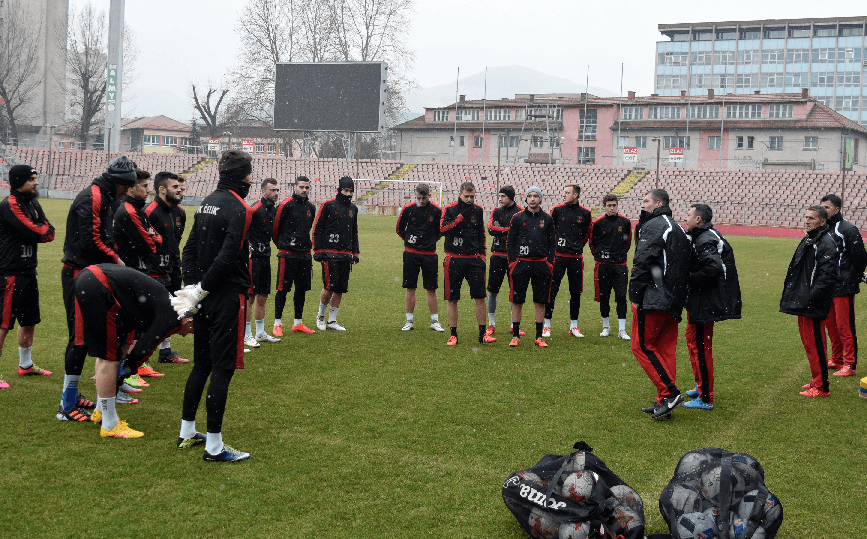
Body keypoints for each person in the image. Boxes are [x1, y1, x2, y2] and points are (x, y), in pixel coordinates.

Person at [178, 149, 254, 462]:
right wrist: (203, 289)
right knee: (222, 369)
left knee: (202, 364)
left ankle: (186, 432)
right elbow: (227, 256)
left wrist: (191, 290)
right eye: (249, 174)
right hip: (225, 296)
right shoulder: (239, 207)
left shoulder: (207, 201)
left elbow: (190, 249)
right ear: (241, 176)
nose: (251, 179)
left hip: (205, 295)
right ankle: (214, 446)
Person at [57, 155, 136, 423]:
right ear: (116, 182)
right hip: (79, 273)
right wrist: (116, 260)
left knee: (86, 338)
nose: (127, 190)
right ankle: (66, 406)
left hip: (90, 272)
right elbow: (91, 240)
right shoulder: (94, 197)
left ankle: (73, 393)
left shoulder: (105, 195)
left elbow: (103, 237)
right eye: (126, 185)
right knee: (79, 339)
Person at [73, 264, 193, 439]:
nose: (185, 335)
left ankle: (100, 410)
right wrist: (126, 370)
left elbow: (135, 329)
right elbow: (145, 348)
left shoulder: (171, 306)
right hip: (98, 283)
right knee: (109, 357)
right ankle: (109, 424)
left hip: (94, 280)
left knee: (115, 352)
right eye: (191, 331)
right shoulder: (173, 317)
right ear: (189, 320)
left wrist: (124, 367)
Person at [629, 189, 691, 420]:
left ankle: (670, 394)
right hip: (673, 299)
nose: (642, 204)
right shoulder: (678, 228)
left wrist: (635, 293)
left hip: (656, 296)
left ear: (659, 203)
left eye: (646, 201)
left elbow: (643, 260)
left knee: (642, 346)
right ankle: (663, 400)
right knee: (664, 349)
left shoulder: (655, 225)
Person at [682, 203, 742, 411]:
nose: (685, 218)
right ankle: (701, 385)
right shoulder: (705, 235)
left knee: (701, 347)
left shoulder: (705, 238)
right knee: (694, 342)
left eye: (688, 215)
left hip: (705, 301)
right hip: (702, 299)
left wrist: (688, 279)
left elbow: (713, 267)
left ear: (698, 219)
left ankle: (706, 396)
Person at [0, 165, 55, 389]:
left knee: (29, 319)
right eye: (32, 179)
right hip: (10, 272)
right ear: (19, 181)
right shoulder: (10, 204)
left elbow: (49, 231)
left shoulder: (32, 202)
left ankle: (25, 365)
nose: (36, 182)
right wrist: (40, 228)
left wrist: (40, 228)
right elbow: (37, 232)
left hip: (28, 270)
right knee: (3, 324)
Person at [780, 205, 839, 398]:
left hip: (812, 303)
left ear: (823, 221)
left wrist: (809, 298)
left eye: (812, 218)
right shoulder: (811, 238)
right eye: (806, 217)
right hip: (804, 301)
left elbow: (826, 278)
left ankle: (822, 387)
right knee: (810, 344)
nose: (807, 221)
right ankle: (817, 380)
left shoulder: (825, 243)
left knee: (816, 345)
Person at [440, 181, 495, 346]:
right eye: (467, 196)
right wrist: (460, 217)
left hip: (474, 260)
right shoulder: (450, 209)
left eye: (472, 196)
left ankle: (482, 334)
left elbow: (481, 235)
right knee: (452, 298)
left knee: (480, 297)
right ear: (460, 194)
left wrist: (483, 256)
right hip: (454, 259)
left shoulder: (478, 210)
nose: (470, 199)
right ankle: (453, 334)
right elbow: (442, 229)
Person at [819, 194, 866, 377]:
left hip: (843, 287)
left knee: (845, 326)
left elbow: (861, 258)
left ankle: (850, 365)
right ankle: (837, 359)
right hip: (828, 286)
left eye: (827, 207)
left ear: (837, 209)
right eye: (822, 207)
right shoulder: (824, 228)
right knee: (831, 326)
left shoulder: (847, 229)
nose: (824, 210)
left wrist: (851, 280)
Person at [145, 171, 189, 364]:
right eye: (175, 187)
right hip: (152, 271)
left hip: (173, 268)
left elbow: (175, 242)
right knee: (148, 314)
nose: (180, 191)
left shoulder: (180, 213)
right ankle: (142, 359)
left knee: (171, 310)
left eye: (180, 187)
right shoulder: (150, 212)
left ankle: (165, 352)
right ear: (162, 190)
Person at [507, 186, 555, 348]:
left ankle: (539, 336)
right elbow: (511, 241)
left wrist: (549, 262)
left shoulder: (547, 219)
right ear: (526, 198)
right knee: (517, 300)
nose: (533, 199)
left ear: (540, 199)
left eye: (536, 196)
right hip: (521, 263)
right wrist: (513, 261)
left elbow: (552, 243)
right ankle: (515, 335)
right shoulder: (518, 218)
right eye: (530, 196)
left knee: (540, 301)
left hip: (541, 264)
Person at [313, 176, 360, 332]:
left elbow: (354, 231)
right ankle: (320, 316)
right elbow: (317, 229)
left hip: (345, 254)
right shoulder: (328, 205)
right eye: (345, 190)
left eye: (350, 191)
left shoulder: (354, 209)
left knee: (340, 288)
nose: (348, 194)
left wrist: (355, 252)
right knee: (329, 287)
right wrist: (318, 250)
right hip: (329, 253)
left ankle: (332, 320)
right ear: (339, 190)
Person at [545, 184, 592, 338]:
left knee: (575, 292)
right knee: (552, 290)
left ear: (576, 195)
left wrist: (576, 246)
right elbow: (550, 232)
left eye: (567, 192)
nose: (564, 194)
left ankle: (574, 326)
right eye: (564, 192)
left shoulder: (585, 213)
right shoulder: (557, 210)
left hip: (575, 259)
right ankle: (547, 325)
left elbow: (586, 234)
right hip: (558, 257)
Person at [396, 183, 444, 332]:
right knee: (410, 287)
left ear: (429, 196)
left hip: (430, 254)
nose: (421, 200)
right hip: (411, 253)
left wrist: (429, 241)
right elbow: (399, 229)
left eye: (424, 198)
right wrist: (410, 240)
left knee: (431, 288)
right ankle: (409, 321)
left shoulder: (436, 211)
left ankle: (434, 321)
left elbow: (441, 230)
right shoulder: (408, 209)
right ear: (414, 195)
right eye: (418, 198)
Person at [272, 176, 316, 335]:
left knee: (301, 289)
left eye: (307, 187)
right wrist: (283, 246)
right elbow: (275, 229)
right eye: (301, 187)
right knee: (283, 289)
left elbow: (308, 230)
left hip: (305, 254)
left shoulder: (311, 207)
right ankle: (277, 323)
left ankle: (298, 323)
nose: (304, 190)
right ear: (295, 187)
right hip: (287, 254)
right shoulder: (285, 205)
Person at [589, 194, 632, 340]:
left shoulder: (625, 222)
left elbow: (628, 243)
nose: (612, 208)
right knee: (604, 296)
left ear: (617, 205)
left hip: (620, 266)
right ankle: (606, 327)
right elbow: (592, 244)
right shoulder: (598, 223)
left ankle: (622, 330)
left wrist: (618, 255)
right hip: (603, 266)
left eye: (614, 205)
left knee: (621, 297)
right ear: (604, 206)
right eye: (609, 205)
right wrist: (602, 257)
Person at [244, 178, 281, 347]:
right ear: (263, 191)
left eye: (277, 190)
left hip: (266, 254)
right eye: (272, 190)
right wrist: (247, 246)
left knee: (263, 295)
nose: (275, 193)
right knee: (250, 296)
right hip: (253, 257)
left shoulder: (273, 210)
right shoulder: (254, 209)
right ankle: (246, 334)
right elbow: (243, 229)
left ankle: (260, 333)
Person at [485, 186, 523, 336]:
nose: (500, 198)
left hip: (514, 257)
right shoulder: (496, 211)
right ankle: (491, 324)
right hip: (497, 255)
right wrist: (509, 231)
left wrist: (503, 231)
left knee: (514, 292)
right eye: (499, 195)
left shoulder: (520, 212)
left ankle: (515, 325)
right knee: (493, 291)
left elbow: (520, 233)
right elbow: (490, 229)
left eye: (503, 196)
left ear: (510, 197)